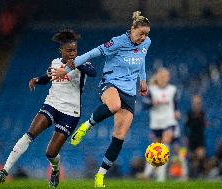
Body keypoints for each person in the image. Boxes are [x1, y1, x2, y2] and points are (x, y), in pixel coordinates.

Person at [52, 11, 150, 187]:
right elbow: (91, 54)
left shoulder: (146, 43)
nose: (143, 37)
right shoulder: (117, 42)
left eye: (146, 34)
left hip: (130, 92)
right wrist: (66, 69)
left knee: (119, 136)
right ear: (131, 29)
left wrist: (143, 80)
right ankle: (86, 126)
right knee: (114, 105)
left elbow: (142, 60)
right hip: (110, 84)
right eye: (140, 33)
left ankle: (100, 176)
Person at [0, 29, 96, 187]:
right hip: (52, 104)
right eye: (69, 51)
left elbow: (93, 72)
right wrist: (36, 80)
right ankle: (4, 171)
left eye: (75, 50)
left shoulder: (82, 62)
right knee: (29, 134)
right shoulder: (55, 62)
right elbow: (48, 77)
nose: (73, 53)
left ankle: (55, 170)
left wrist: (75, 64)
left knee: (50, 153)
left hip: (70, 112)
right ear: (61, 50)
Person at [140, 68, 181, 181]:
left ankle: (161, 177)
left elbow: (175, 104)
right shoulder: (151, 90)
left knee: (165, 146)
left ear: (168, 78)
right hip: (156, 123)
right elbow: (144, 105)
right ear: (157, 77)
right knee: (155, 149)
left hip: (169, 121)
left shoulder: (173, 89)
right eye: (161, 76)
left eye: (165, 76)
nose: (163, 78)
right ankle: (147, 174)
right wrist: (152, 103)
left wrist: (177, 112)